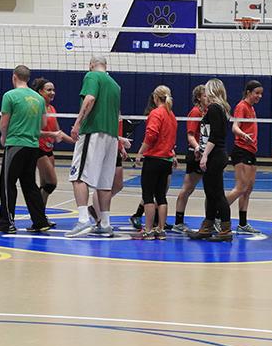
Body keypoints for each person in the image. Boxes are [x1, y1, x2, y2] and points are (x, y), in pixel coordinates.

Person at [0, 65, 51, 234]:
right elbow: (44, 124)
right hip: (33, 146)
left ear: (14, 77)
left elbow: (4, 123)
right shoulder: (39, 99)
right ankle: (40, 221)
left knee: (7, 184)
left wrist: (4, 136)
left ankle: (6, 223)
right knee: (29, 184)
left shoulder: (10, 95)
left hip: (16, 144)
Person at [66, 55, 121, 238]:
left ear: (91, 65)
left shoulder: (92, 76)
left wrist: (77, 124)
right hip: (111, 137)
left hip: (93, 132)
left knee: (78, 176)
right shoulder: (115, 85)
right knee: (104, 183)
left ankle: (83, 220)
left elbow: (89, 99)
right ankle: (105, 224)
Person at [187, 78, 233, 242]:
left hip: (215, 154)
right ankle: (207, 226)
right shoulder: (220, 108)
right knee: (211, 193)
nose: (205, 93)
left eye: (207, 90)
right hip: (216, 153)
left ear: (212, 91)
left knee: (217, 193)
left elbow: (214, 136)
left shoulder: (214, 108)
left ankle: (226, 229)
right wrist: (202, 150)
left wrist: (205, 154)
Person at [133, 86, 178, 240]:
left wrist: (140, 152)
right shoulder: (171, 115)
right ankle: (161, 230)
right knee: (161, 196)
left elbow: (151, 135)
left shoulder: (156, 113)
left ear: (155, 97)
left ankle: (148, 230)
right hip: (166, 160)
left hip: (154, 159)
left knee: (148, 195)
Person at [31, 78, 75, 211]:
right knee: (51, 183)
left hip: (49, 149)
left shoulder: (52, 108)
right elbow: (34, 132)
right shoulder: (37, 108)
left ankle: (40, 217)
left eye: (53, 90)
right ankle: (36, 212)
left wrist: (76, 141)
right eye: (49, 90)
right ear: (40, 92)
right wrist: (52, 135)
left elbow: (58, 132)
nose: (52, 92)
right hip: (38, 149)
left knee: (45, 185)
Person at [225, 80, 263, 234]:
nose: (259, 96)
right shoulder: (242, 106)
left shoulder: (251, 108)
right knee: (240, 187)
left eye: (261, 94)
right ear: (248, 92)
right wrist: (243, 135)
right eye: (257, 93)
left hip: (251, 151)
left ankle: (242, 224)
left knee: (248, 189)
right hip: (241, 150)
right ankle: (214, 214)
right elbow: (235, 127)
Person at [173, 85, 207, 233]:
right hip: (195, 154)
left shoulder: (208, 111)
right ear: (199, 97)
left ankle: (210, 220)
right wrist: (198, 148)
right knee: (187, 188)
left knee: (210, 190)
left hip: (206, 153)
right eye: (205, 95)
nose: (208, 97)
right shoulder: (195, 112)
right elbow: (190, 135)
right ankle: (178, 222)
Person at [88, 119, 132, 234]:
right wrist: (121, 140)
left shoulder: (116, 108)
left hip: (115, 148)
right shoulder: (104, 108)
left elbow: (116, 130)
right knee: (101, 186)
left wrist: (121, 146)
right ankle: (99, 220)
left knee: (118, 185)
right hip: (103, 147)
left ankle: (95, 207)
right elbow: (102, 130)